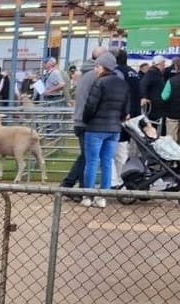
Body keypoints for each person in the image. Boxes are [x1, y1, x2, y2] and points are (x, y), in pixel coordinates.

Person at [81, 52, 129, 208]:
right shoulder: (122, 84)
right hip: (114, 129)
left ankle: (88, 195)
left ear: (104, 67)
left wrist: (87, 120)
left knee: (92, 162)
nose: (96, 69)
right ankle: (103, 197)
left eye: (97, 66)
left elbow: (90, 106)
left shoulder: (99, 83)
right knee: (107, 162)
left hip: (95, 128)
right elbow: (125, 109)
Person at [60, 46, 108, 199]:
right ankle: (73, 188)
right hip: (87, 122)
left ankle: (70, 187)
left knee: (86, 156)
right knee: (87, 157)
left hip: (81, 120)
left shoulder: (85, 75)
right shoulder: (94, 77)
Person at [112, 49, 141, 188]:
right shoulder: (133, 72)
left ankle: (119, 179)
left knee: (118, 148)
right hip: (134, 114)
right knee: (124, 146)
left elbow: (119, 93)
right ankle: (122, 177)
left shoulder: (117, 73)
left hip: (123, 115)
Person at [139, 55, 167, 132]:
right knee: (153, 127)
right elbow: (143, 85)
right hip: (154, 105)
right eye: (163, 64)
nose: (164, 66)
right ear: (160, 64)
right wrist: (144, 97)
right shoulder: (152, 73)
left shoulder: (155, 73)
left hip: (155, 104)